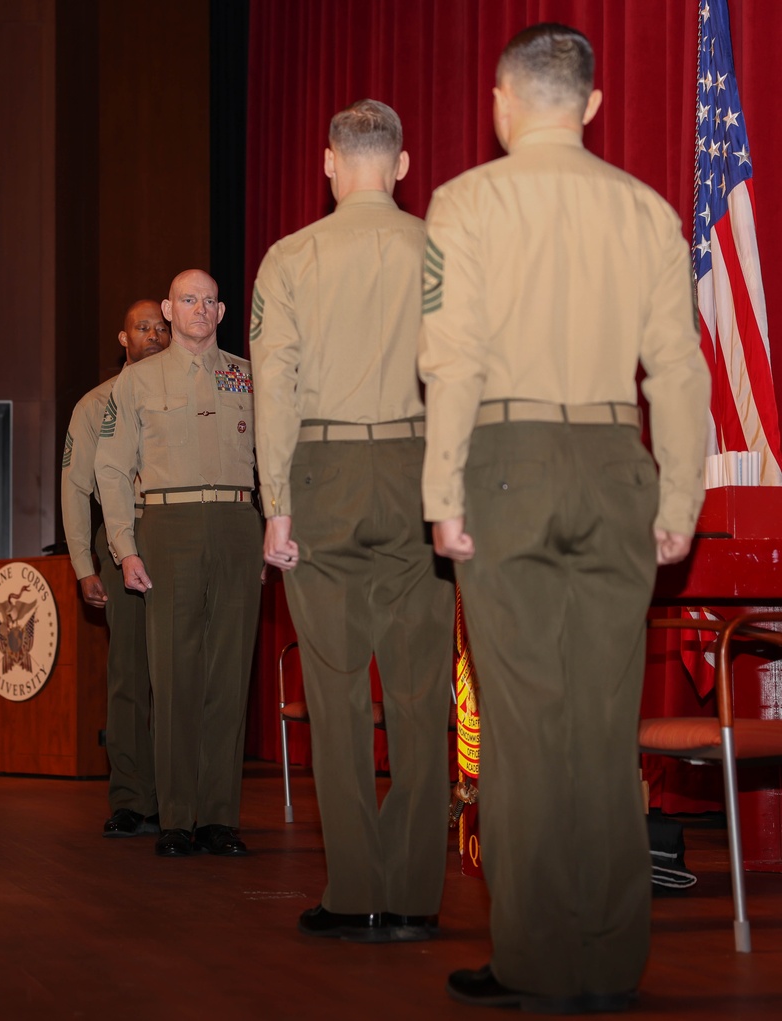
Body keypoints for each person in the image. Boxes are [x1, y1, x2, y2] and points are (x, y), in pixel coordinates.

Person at [420, 23, 710, 1013]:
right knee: (600, 722)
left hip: (505, 463)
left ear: (502, 101)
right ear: (590, 104)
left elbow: (449, 360)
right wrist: (678, 501)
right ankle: (609, 956)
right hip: (613, 461)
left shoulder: (465, 202)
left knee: (523, 723)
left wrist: (440, 491)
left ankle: (537, 959)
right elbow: (677, 371)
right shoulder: (647, 209)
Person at [250, 99, 455, 943]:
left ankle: (354, 889)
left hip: (323, 472)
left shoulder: (289, 258)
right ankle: (412, 894)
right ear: (402, 166)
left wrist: (276, 504)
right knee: (418, 692)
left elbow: (275, 389)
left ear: (329, 162)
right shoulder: (441, 250)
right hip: (417, 469)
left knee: (335, 693)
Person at [94, 269, 263, 858]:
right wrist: (124, 546)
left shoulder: (248, 375)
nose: (199, 309)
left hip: (238, 522)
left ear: (220, 313)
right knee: (172, 674)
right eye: (188, 299)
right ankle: (176, 818)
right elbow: (111, 469)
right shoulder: (136, 381)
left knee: (228, 674)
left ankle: (219, 817)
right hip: (166, 525)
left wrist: (273, 527)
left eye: (210, 301)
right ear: (169, 309)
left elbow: (276, 457)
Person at [60, 299, 170, 837]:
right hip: (121, 538)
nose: (154, 334)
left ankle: (184, 797)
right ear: (123, 339)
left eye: (160, 326)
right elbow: (77, 488)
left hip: (179, 535)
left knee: (183, 671)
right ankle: (132, 797)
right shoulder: (96, 405)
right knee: (130, 672)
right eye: (141, 327)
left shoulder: (187, 394)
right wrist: (84, 564)